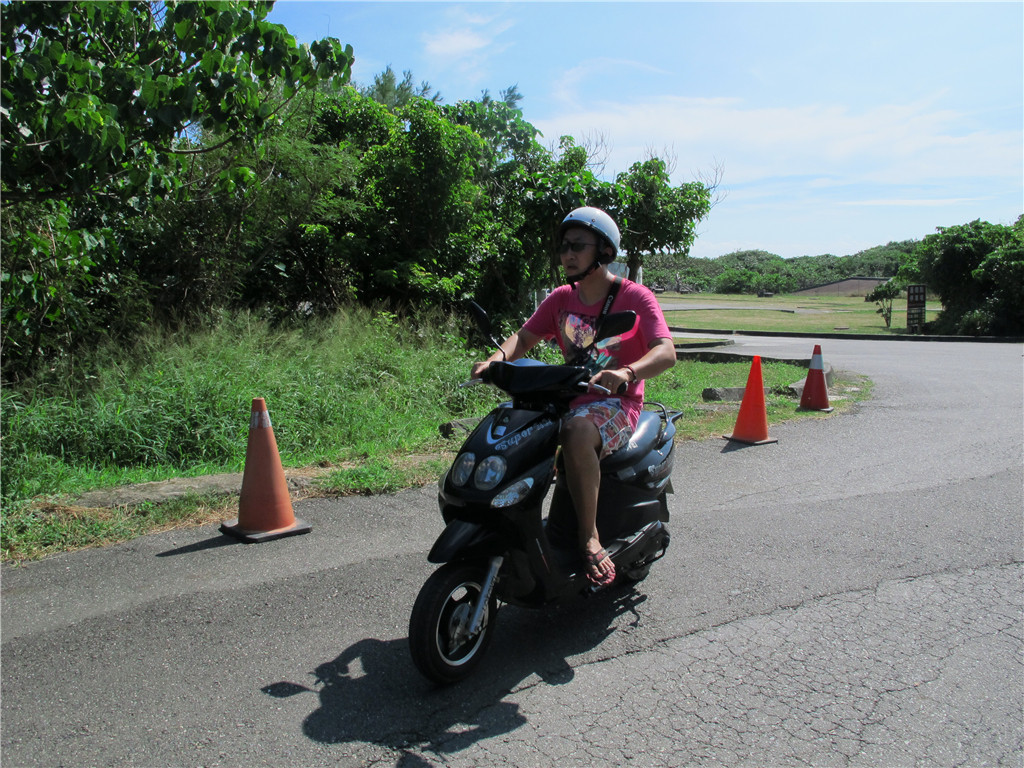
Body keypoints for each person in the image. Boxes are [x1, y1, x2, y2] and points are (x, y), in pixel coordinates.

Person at [471, 206, 676, 586]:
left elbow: (666, 351)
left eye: (578, 246)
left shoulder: (635, 296)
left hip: (617, 404)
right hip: (565, 399)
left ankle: (589, 538)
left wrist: (626, 372)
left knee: (578, 433)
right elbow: (525, 338)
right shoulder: (561, 298)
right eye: (564, 246)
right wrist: (495, 359)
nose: (568, 254)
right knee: (511, 431)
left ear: (604, 251)